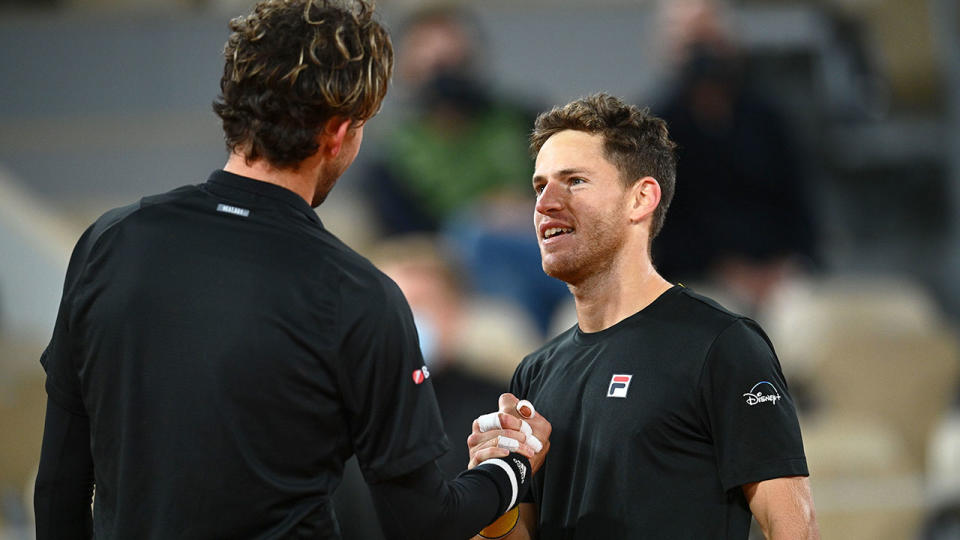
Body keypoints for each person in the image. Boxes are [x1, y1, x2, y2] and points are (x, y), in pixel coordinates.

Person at [32, 1, 549, 538]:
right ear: (337, 132)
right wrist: (509, 468)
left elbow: (58, 489)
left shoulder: (109, 242)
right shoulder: (356, 294)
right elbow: (424, 518)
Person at [467, 93, 818, 539]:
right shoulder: (534, 374)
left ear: (641, 199)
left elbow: (795, 528)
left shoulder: (720, 345)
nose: (545, 203)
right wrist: (496, 485)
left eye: (574, 181)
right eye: (539, 186)